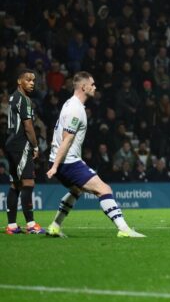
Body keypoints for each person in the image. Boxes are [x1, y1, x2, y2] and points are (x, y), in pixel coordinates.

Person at [45, 71, 145, 238]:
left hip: (62, 160)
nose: (95, 87)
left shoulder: (69, 104)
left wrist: (54, 161)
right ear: (83, 87)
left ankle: (55, 226)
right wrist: (55, 166)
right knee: (104, 189)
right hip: (67, 162)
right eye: (92, 84)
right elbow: (67, 139)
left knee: (76, 190)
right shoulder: (75, 109)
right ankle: (124, 230)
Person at [4, 69, 45, 234]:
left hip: (10, 144)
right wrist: (35, 146)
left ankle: (12, 226)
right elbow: (28, 126)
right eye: (28, 80)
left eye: (33, 80)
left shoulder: (13, 97)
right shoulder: (24, 100)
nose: (32, 83)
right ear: (19, 81)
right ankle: (31, 225)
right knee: (28, 183)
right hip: (20, 144)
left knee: (15, 184)